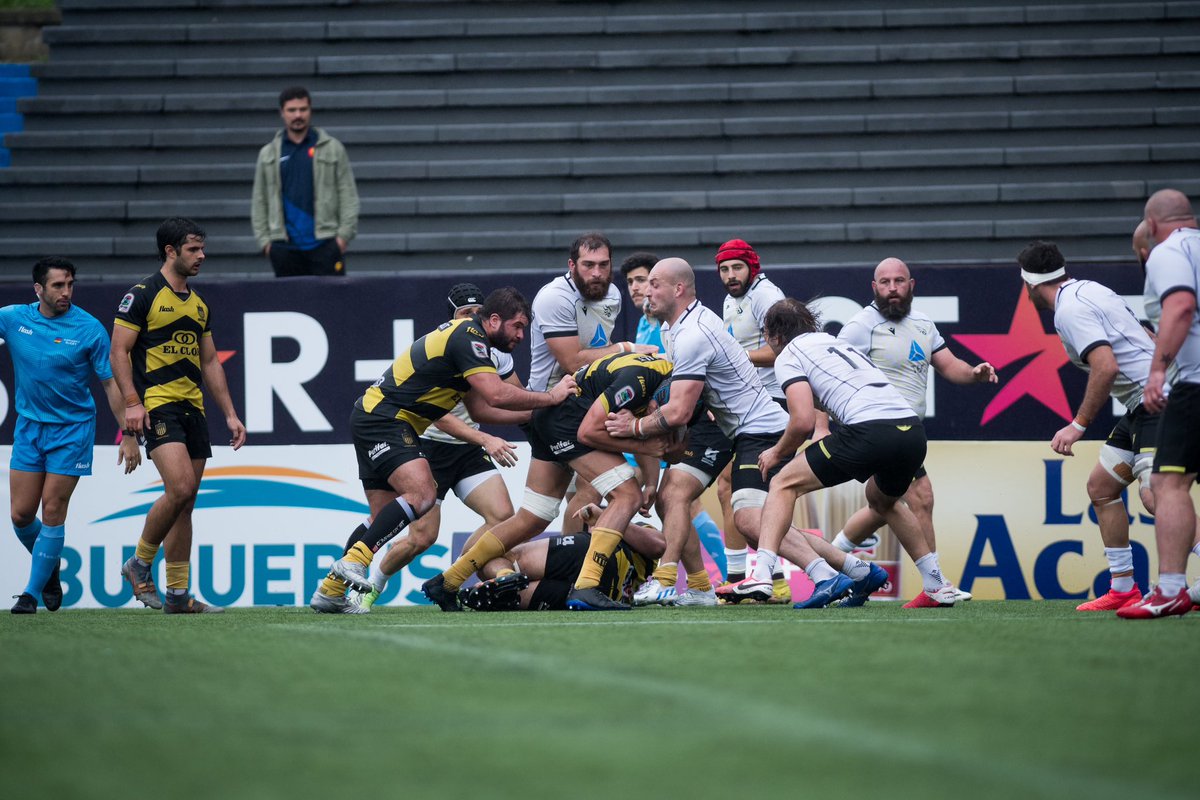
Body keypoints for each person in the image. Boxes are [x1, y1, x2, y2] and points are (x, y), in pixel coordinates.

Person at [606, 260, 872, 609]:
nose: (645, 290)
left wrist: (634, 427)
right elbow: (689, 403)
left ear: (679, 289)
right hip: (726, 426)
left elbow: (680, 410)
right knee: (674, 495)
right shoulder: (674, 328)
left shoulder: (694, 333)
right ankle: (852, 569)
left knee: (750, 519)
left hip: (758, 430)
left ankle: (824, 575)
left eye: (654, 284)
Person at [310, 288, 577, 613]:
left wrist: (542, 413)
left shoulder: (472, 342)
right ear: (494, 320)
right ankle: (356, 561)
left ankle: (331, 590)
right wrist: (551, 398)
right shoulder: (469, 336)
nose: (521, 335)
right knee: (422, 495)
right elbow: (497, 395)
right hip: (388, 419)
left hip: (375, 416)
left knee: (382, 517)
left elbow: (480, 411)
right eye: (518, 326)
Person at [421, 350, 680, 612]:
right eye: (654, 413)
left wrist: (650, 478)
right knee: (627, 496)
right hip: (569, 421)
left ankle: (447, 581)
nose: (653, 418)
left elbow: (653, 437)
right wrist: (645, 445)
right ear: (658, 399)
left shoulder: (667, 386)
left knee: (532, 517)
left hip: (550, 419)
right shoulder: (640, 380)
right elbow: (589, 432)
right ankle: (587, 585)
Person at [743, 298, 961, 608]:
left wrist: (778, 452)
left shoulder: (788, 354)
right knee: (883, 501)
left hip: (869, 431)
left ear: (775, 336)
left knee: (783, 483)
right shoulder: (834, 343)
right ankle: (937, 585)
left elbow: (802, 420)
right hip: (911, 432)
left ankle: (762, 575)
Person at [833, 257, 997, 605]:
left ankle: (831, 558)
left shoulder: (923, 324)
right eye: (885, 282)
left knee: (883, 503)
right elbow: (832, 373)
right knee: (920, 497)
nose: (892, 288)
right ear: (873, 288)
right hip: (877, 429)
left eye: (899, 281)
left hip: (907, 433)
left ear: (912, 285)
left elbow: (949, 365)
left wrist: (975, 373)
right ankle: (935, 586)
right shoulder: (860, 326)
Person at [354, 283, 521, 610]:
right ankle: (373, 585)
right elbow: (440, 417)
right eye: (465, 313)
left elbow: (514, 394)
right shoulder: (444, 347)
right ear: (452, 318)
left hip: (468, 451)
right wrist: (485, 437)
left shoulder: (490, 351)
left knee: (503, 516)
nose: (473, 318)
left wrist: (548, 406)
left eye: (477, 312)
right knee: (422, 538)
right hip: (431, 449)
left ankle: (453, 577)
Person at [1018, 242, 1165, 611]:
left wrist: (1077, 425)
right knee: (1102, 487)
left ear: (1031, 285)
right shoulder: (1092, 289)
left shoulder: (1068, 310)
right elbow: (1145, 335)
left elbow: (1106, 366)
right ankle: (1124, 588)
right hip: (1144, 404)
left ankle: (1171, 585)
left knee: (1156, 497)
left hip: (1159, 404)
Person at [112, 218, 246, 614]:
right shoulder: (142, 295)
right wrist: (133, 403)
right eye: (193, 249)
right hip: (158, 405)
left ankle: (176, 595)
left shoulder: (199, 304)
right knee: (181, 488)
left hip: (194, 409)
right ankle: (138, 562)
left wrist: (231, 414)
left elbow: (210, 362)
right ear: (170, 251)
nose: (201, 255)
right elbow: (118, 352)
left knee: (186, 503)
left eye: (202, 248)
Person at [3, 258, 141, 614]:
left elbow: (110, 384)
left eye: (69, 285)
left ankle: (30, 595)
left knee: (52, 508)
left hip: (73, 431)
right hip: (29, 428)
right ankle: (49, 569)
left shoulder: (88, 328)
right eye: (57, 286)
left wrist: (127, 433)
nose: (66, 292)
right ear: (38, 289)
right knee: (20, 515)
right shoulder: (14, 318)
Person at [528, 233, 656, 534]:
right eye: (588, 265)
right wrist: (625, 350)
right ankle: (575, 574)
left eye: (603, 264)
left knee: (540, 512)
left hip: (583, 403)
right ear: (572, 265)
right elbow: (573, 362)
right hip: (552, 406)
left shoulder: (611, 295)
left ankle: (567, 572)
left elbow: (600, 348)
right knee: (605, 492)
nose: (597, 272)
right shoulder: (554, 297)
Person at [1119, 189, 1200, 618]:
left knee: (1168, 485)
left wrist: (1156, 370)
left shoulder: (1169, 251)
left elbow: (1181, 305)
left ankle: (1170, 588)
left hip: (1194, 382)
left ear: (1151, 227)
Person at [621, 251, 726, 582]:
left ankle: (720, 577)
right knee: (669, 500)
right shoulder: (646, 321)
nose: (639, 289)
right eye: (633, 282)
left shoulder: (685, 325)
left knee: (680, 502)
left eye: (645, 281)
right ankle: (700, 581)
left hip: (671, 422)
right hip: (657, 422)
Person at [713, 238, 790, 600]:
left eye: (737, 267)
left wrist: (732, 358)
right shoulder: (732, 300)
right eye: (724, 269)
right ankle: (746, 576)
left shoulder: (765, 295)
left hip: (772, 403)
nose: (731, 275)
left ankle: (771, 578)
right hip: (746, 404)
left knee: (750, 489)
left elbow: (783, 348)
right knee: (731, 488)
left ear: (752, 267)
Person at [460, 504, 664, 611]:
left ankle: (506, 574)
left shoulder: (636, 529)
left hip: (592, 553)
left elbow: (658, 545)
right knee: (505, 597)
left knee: (499, 557)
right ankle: (507, 580)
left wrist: (607, 518)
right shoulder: (637, 538)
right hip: (598, 594)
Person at [251, 86, 359, 278]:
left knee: (332, 304)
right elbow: (259, 200)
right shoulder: (268, 154)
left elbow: (348, 194)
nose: (298, 115)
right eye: (292, 110)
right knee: (290, 305)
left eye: (303, 109)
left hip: (325, 245)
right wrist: (266, 243)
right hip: (284, 248)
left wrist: (342, 238)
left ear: (311, 111)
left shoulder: (332, 148)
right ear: (282, 113)